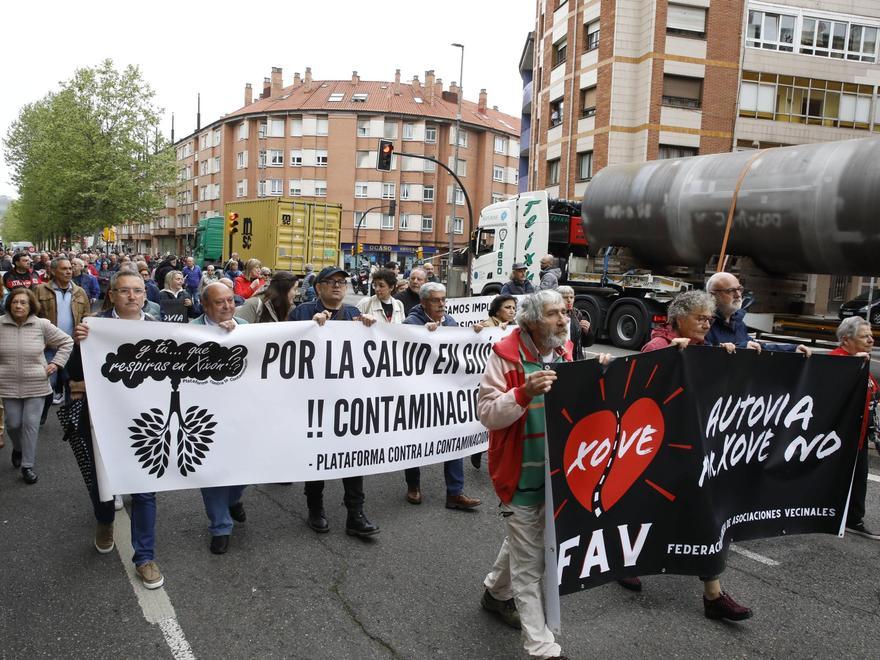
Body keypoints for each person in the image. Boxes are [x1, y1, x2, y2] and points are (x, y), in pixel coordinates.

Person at [478, 290, 602, 659]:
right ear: (530, 321)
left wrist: (603, 371)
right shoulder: (505, 354)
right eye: (553, 314)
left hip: (557, 475)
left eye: (564, 312)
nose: (564, 320)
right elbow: (487, 414)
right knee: (531, 562)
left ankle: (494, 593)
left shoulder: (563, 352)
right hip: (519, 473)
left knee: (524, 542)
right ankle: (541, 646)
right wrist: (522, 393)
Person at [635, 290, 751, 620]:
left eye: (709, 318)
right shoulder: (657, 347)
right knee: (645, 508)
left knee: (705, 514)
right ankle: (624, 563)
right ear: (678, 319)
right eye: (700, 318)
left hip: (697, 448)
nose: (706, 324)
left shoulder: (706, 351)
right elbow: (638, 397)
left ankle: (713, 595)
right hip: (658, 450)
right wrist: (669, 360)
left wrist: (729, 357)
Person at [69, 271, 164, 588]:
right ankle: (105, 519)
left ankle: (145, 557)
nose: (133, 296)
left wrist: (229, 329)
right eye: (125, 291)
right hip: (101, 422)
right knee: (102, 483)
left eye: (138, 290)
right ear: (112, 295)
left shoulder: (158, 327)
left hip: (146, 421)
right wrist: (80, 342)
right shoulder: (93, 327)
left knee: (144, 488)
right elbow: (71, 375)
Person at [290, 267, 380, 538]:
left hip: (347, 400)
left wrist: (370, 330)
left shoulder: (354, 315)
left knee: (352, 457)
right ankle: (315, 508)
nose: (338, 287)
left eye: (342, 282)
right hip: (315, 399)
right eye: (332, 282)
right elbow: (288, 348)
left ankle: (356, 513)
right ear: (319, 288)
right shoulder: (303, 312)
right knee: (318, 456)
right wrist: (307, 329)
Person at [402, 282, 482, 509]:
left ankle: (455, 493)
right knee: (416, 440)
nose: (441, 304)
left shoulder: (450, 322)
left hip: (446, 393)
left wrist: (473, 333)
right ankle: (413, 485)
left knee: (453, 439)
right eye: (436, 300)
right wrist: (423, 336)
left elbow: (461, 348)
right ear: (423, 303)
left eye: (443, 299)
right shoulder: (411, 323)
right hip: (419, 394)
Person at [190, 282, 249, 554]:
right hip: (204, 417)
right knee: (211, 471)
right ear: (205, 306)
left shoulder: (247, 328)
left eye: (230, 300)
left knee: (246, 467)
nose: (227, 307)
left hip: (244, 415)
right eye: (219, 302)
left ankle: (232, 499)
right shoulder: (189, 332)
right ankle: (221, 526)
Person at [0, 288, 73, 484]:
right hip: (7, 383)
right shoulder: (0, 324)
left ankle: (27, 465)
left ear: (31, 305)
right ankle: (18, 448)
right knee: (13, 424)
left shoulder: (41, 325)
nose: (18, 306)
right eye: (15, 302)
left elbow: (67, 341)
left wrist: (56, 363)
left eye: (23, 302)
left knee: (30, 425)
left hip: (36, 382)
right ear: (9, 304)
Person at [829, 316, 879, 540]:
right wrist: (853, 366)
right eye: (865, 336)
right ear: (847, 340)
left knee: (858, 478)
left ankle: (852, 518)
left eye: (871, 336)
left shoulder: (862, 361)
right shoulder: (837, 362)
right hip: (839, 437)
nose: (871, 340)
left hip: (860, 435)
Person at [705, 272, 811, 356]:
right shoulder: (704, 323)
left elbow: (758, 346)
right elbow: (703, 354)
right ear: (713, 295)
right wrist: (741, 348)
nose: (738, 295)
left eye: (739, 289)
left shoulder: (737, 322)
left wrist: (793, 349)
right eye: (730, 290)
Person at [34, 257, 90, 410]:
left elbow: (86, 316)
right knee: (47, 383)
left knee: (72, 385)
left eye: (70, 268)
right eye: (64, 269)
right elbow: (33, 316)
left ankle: (71, 422)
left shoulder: (80, 292)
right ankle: (41, 415)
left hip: (72, 347)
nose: (68, 272)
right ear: (53, 271)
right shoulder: (40, 290)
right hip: (48, 347)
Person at [557, 286, 594, 361]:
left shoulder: (577, 314)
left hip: (576, 359)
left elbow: (586, 343)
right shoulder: (554, 316)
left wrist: (587, 332)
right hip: (559, 359)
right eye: (565, 297)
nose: (569, 300)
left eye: (571, 297)